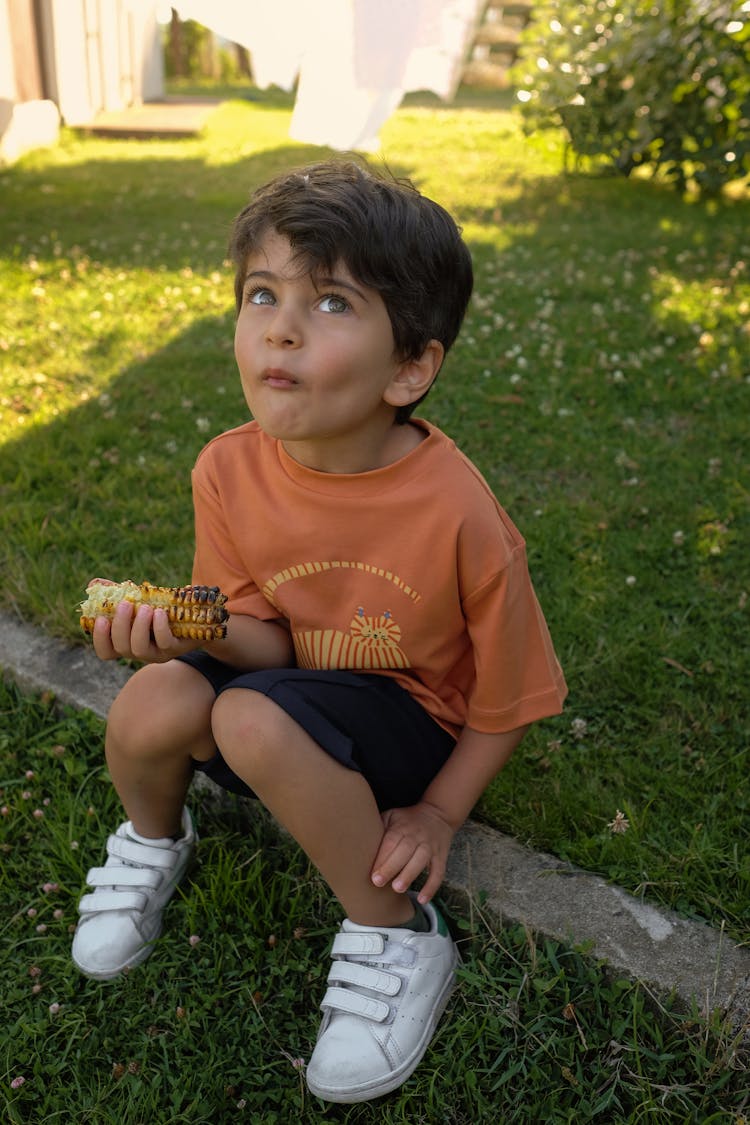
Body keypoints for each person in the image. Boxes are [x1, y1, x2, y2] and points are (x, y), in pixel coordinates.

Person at [72, 160, 567, 1104]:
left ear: (412, 367)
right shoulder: (228, 469)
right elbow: (259, 635)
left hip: (410, 728)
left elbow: (511, 697)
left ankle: (396, 929)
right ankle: (151, 839)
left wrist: (440, 812)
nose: (282, 326)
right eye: (262, 294)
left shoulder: (458, 511)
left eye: (332, 303)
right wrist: (184, 637)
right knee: (157, 696)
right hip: (291, 694)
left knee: (252, 720)